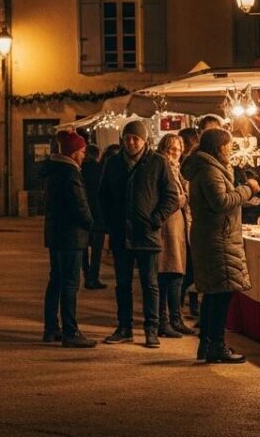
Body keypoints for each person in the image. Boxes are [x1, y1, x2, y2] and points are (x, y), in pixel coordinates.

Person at [98, 119, 180, 349]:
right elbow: (102, 195)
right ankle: (124, 328)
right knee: (122, 283)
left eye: (136, 138)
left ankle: (151, 330)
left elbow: (171, 196)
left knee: (150, 284)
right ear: (122, 139)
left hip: (147, 234)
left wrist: (155, 219)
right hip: (121, 233)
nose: (131, 142)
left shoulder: (157, 163)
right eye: (128, 138)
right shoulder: (113, 163)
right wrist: (111, 223)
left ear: (144, 140)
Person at [182, 127, 260, 364]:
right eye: (228, 146)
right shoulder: (209, 171)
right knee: (220, 295)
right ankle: (216, 345)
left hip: (214, 236)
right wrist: (248, 189)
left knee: (214, 294)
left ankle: (207, 345)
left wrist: (242, 200)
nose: (230, 150)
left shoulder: (208, 168)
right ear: (219, 148)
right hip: (217, 239)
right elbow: (220, 202)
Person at [41, 131, 98, 348]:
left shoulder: (53, 170)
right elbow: (79, 205)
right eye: (82, 151)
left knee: (56, 279)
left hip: (56, 234)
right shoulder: (70, 173)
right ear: (73, 153)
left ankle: (51, 328)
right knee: (70, 284)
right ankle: (70, 331)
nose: (84, 155)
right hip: (71, 236)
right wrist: (92, 225)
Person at [155, 134, 194, 338]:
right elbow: (170, 198)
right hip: (168, 227)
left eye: (178, 149)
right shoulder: (163, 168)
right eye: (171, 149)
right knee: (167, 273)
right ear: (164, 149)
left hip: (178, 227)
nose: (175, 153)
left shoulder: (177, 170)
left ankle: (176, 318)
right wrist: (183, 197)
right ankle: (165, 320)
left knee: (177, 274)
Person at [178, 127, 201, 317]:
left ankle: (189, 303)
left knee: (192, 267)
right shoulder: (184, 165)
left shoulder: (191, 163)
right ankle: (180, 303)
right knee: (189, 267)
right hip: (187, 220)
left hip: (192, 220)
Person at [80, 144, 108, 289]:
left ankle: (86, 274)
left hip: (84, 213)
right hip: (98, 213)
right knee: (97, 249)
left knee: (84, 247)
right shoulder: (100, 170)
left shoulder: (79, 170)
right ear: (97, 155)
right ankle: (93, 277)